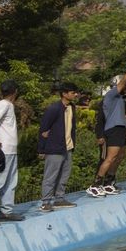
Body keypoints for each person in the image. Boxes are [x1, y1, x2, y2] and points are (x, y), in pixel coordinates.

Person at [87, 59, 126, 198]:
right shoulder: (112, 94)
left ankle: (109, 182)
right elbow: (124, 80)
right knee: (110, 158)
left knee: (120, 156)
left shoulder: (120, 100)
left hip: (120, 128)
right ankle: (95, 185)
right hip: (113, 130)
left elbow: (116, 115)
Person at [38, 83, 80, 212]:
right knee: (51, 176)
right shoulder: (54, 108)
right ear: (64, 94)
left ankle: (59, 199)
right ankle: (46, 202)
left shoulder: (71, 107)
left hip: (67, 147)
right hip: (55, 147)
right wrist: (41, 149)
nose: (75, 94)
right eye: (73, 92)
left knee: (64, 175)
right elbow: (43, 129)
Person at [0, 80, 23, 225]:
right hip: (2, 151)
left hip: (10, 151)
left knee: (10, 182)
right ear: (15, 91)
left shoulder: (8, 105)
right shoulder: (3, 104)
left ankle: (6, 212)